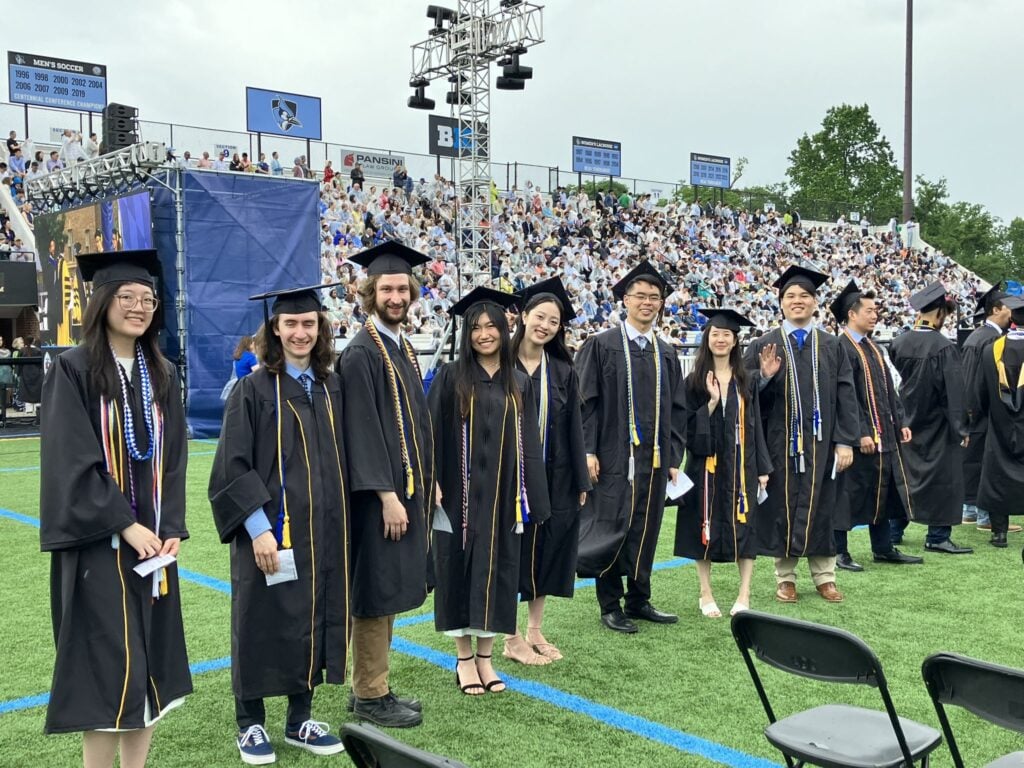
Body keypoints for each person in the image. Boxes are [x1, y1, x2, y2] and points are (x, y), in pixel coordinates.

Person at [39, 249, 192, 768]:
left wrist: (170, 526)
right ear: (102, 300)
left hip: (153, 548)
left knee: (148, 664)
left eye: (147, 298)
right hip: (99, 547)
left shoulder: (162, 371)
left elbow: (173, 460)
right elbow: (72, 459)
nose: (138, 307)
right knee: (105, 670)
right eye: (126, 297)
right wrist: (125, 525)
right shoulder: (73, 369)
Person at [209, 283, 350, 764]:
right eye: (290, 323)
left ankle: (300, 720)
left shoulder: (331, 388)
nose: (300, 332)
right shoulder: (251, 391)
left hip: (323, 532)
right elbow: (232, 466)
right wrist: (257, 528)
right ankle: (249, 723)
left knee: (310, 617)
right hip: (271, 533)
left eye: (309, 323)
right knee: (258, 619)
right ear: (274, 329)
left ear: (320, 328)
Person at [428, 286, 551, 695]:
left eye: (491, 326)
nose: (484, 334)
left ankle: (486, 657)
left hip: (503, 498)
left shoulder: (518, 382)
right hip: (460, 498)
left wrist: (535, 496)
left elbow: (530, 443)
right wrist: (433, 484)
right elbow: (430, 434)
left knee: (498, 572)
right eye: (476, 328)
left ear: (504, 328)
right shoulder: (450, 377)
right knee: (457, 571)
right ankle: (464, 659)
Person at [336, 242, 434, 728]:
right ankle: (371, 694)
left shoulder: (399, 346)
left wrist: (427, 483)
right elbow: (363, 432)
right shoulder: (360, 353)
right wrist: (387, 496)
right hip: (380, 499)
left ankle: (370, 687)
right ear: (368, 292)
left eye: (402, 288)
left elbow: (414, 425)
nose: (395, 296)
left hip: (406, 490)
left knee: (391, 584)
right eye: (386, 289)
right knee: (375, 589)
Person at [576, 261, 686, 633]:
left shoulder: (665, 352)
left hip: (653, 458)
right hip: (611, 457)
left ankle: (639, 598)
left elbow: (677, 409)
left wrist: (672, 457)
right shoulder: (601, 345)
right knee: (611, 524)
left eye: (654, 297)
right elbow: (585, 403)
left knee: (647, 525)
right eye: (640, 295)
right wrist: (588, 451)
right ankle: (610, 603)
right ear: (625, 300)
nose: (648, 302)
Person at [743, 265, 858, 604]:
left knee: (823, 504)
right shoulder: (764, 344)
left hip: (823, 443)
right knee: (783, 507)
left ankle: (825, 577)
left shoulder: (833, 345)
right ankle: (785, 578)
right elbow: (746, 398)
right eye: (790, 296)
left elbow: (847, 393)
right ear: (781, 303)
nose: (797, 301)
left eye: (804, 296)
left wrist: (845, 439)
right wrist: (762, 378)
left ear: (814, 302)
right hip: (779, 443)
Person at [503, 277, 590, 664]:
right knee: (511, 551)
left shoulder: (562, 369)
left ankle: (535, 629)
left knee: (549, 548)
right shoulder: (499, 363)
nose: (545, 326)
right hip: (508, 477)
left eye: (553, 322)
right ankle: (510, 635)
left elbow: (575, 427)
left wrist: (580, 479)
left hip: (555, 475)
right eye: (540, 317)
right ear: (524, 316)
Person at [675, 308, 770, 618]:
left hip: (743, 466)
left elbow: (756, 424)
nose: (720, 339)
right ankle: (706, 592)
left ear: (734, 341)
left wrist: (764, 468)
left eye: (726, 335)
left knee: (746, 524)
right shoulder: (693, 382)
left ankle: (745, 593)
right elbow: (688, 430)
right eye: (715, 334)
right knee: (702, 525)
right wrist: (712, 404)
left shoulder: (748, 381)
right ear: (707, 338)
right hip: (707, 467)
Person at [828, 281, 923, 570]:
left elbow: (887, 389)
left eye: (876, 310)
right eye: (869, 310)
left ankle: (883, 547)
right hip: (859, 437)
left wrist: (900, 421)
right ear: (851, 314)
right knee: (848, 494)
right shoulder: (840, 347)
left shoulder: (872, 346)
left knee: (883, 490)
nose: (875, 314)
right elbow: (845, 397)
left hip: (885, 435)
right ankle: (839, 551)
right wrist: (860, 432)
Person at [888, 281, 973, 555]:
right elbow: (954, 391)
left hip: (906, 418)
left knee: (906, 476)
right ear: (939, 314)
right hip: (938, 422)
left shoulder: (898, 342)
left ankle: (894, 531)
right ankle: (937, 535)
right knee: (943, 478)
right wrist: (961, 427)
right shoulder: (943, 347)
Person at [961, 283, 1023, 534]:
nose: (1013, 312)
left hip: (981, 411)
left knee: (978, 461)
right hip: (981, 413)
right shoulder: (987, 341)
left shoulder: (983, 337)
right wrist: (970, 414)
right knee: (984, 462)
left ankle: (972, 510)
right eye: (1009, 306)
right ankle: (983, 515)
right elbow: (971, 382)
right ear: (997, 309)